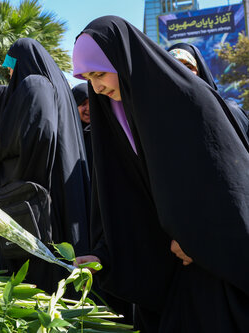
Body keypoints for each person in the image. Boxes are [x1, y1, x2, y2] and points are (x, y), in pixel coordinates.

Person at [72, 16, 249, 332]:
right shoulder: (115, 114)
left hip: (216, 272)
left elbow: (228, 185)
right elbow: (125, 195)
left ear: (123, 62)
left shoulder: (190, 102)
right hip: (173, 277)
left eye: (99, 74)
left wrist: (197, 239)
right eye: (88, 77)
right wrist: (104, 255)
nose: (95, 87)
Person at [0, 38, 90, 293]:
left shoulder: (34, 84)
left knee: (38, 279)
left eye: (11, 67)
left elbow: (39, 134)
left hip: (37, 200)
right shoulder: (52, 85)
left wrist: (4, 152)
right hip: (51, 194)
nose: (9, 74)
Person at [167, 42, 249, 139]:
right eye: (174, 67)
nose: (182, 72)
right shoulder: (161, 121)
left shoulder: (229, 112)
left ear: (200, 71)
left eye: (188, 67)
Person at [71, 83, 92, 172]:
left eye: (92, 103)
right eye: (83, 104)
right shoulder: (68, 133)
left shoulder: (101, 134)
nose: (88, 108)